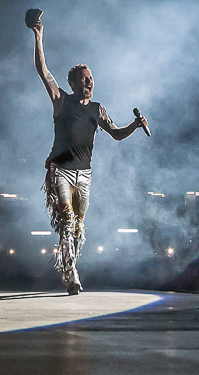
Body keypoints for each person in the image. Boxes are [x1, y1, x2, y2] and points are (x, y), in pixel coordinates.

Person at [30, 15, 147, 294]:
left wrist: (135, 124)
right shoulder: (61, 100)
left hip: (85, 175)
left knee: (78, 227)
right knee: (67, 220)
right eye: (84, 79)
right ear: (72, 83)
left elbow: (116, 134)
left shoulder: (97, 109)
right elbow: (42, 70)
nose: (90, 82)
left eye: (91, 78)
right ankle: (72, 276)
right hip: (60, 171)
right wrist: (38, 36)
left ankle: (70, 265)